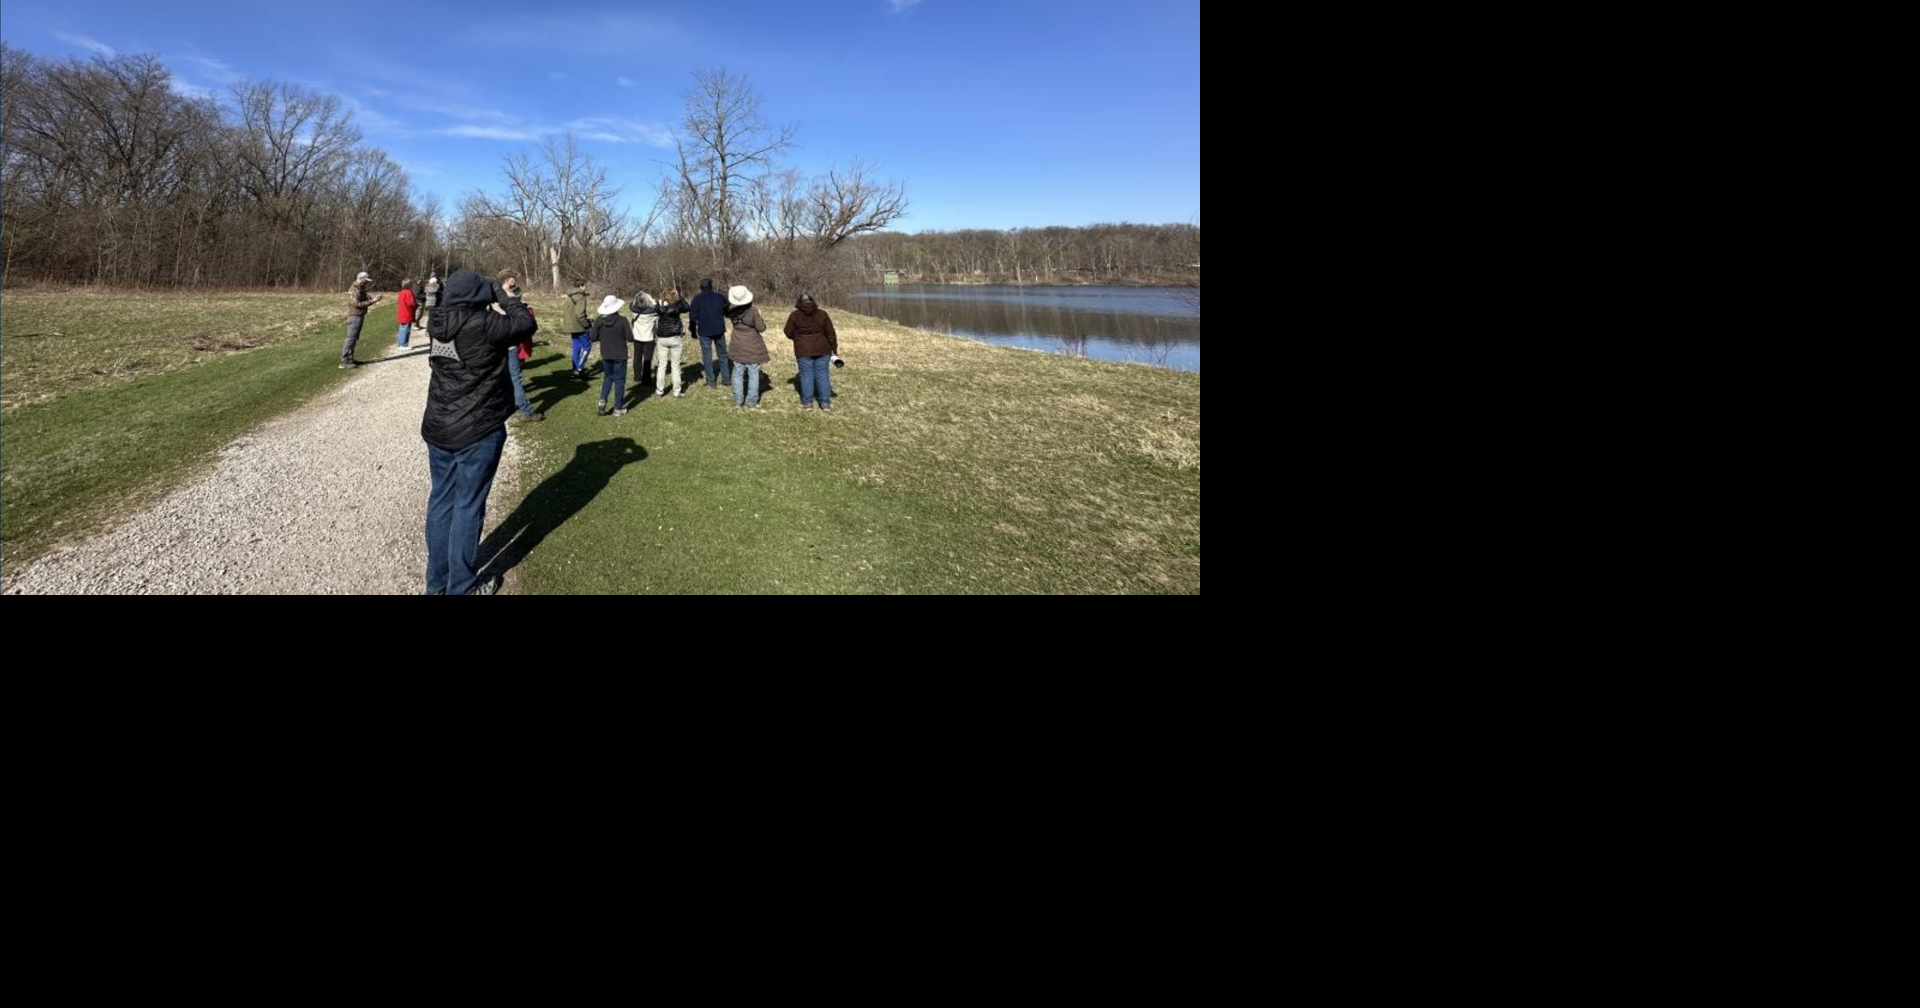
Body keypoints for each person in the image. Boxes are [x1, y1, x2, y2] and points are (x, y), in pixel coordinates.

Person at [421, 269, 538, 595]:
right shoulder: (485, 324)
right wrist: (502, 294)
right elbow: (526, 324)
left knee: (441, 500)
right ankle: (462, 587)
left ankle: (437, 583)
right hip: (477, 428)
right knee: (468, 505)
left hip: (439, 424)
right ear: (479, 295)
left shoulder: (436, 321)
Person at [495, 270, 542, 423]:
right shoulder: (503, 296)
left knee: (506, 376)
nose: (514, 280)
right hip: (508, 343)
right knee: (515, 378)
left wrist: (523, 306)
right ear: (507, 279)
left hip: (506, 342)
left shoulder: (504, 294)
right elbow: (506, 316)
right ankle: (526, 411)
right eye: (513, 278)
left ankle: (505, 404)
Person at [784, 290, 839, 410]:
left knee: (806, 375)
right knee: (823, 375)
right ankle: (825, 403)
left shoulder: (795, 315)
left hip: (803, 349)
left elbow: (788, 332)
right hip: (822, 349)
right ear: (813, 301)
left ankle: (807, 403)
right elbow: (831, 333)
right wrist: (834, 349)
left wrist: (798, 338)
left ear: (799, 302)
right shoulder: (822, 314)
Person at [724, 285, 769, 409]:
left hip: (737, 344)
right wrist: (760, 316)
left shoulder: (730, 311)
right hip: (752, 345)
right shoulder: (753, 311)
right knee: (753, 374)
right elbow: (761, 328)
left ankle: (738, 401)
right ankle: (752, 402)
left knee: (737, 373)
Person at [591, 295, 634, 415]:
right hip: (620, 354)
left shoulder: (599, 321)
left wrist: (602, 336)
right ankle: (618, 408)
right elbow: (630, 338)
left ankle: (602, 401)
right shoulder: (623, 320)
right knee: (619, 380)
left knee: (608, 378)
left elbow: (593, 337)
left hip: (606, 354)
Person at [690, 278, 731, 389]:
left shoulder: (697, 299)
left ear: (701, 287)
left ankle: (711, 382)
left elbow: (692, 316)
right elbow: (727, 309)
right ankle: (726, 379)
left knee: (707, 356)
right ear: (711, 286)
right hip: (718, 329)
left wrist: (693, 331)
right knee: (722, 354)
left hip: (704, 330)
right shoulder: (720, 297)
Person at [340, 270, 383, 368]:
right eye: (366, 280)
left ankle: (350, 359)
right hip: (354, 316)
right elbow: (357, 304)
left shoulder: (361, 288)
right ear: (361, 279)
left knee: (354, 338)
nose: (367, 282)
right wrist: (373, 301)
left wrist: (374, 299)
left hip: (359, 315)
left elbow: (366, 298)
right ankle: (344, 361)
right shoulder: (354, 289)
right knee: (350, 338)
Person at [653, 288, 690, 396]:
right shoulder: (677, 307)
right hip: (674, 337)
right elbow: (687, 307)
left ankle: (659, 390)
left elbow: (655, 306)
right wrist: (680, 297)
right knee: (675, 366)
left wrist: (658, 302)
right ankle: (676, 391)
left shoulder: (659, 308)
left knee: (662, 365)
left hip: (662, 338)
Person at [630, 290, 659, 398]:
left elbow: (631, 304)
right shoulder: (652, 313)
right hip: (648, 337)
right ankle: (646, 379)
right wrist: (652, 301)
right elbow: (657, 306)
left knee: (637, 357)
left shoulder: (633, 309)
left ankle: (637, 376)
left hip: (637, 336)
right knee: (647, 359)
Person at [564, 277, 593, 379]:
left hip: (571, 326)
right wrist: (587, 324)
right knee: (587, 346)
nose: (586, 287)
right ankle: (579, 369)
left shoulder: (569, 296)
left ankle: (575, 369)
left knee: (576, 347)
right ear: (581, 286)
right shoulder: (580, 297)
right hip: (580, 326)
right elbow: (579, 314)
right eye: (585, 285)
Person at [395, 277, 417, 349]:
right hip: (407, 313)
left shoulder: (401, 292)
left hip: (401, 312)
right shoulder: (408, 292)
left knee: (402, 329)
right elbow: (411, 303)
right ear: (409, 285)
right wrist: (416, 304)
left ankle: (400, 344)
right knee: (406, 329)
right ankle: (403, 345)